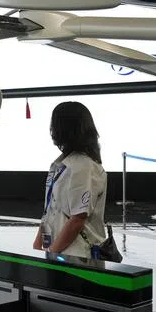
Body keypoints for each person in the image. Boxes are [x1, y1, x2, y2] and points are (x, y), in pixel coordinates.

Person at [33, 101, 108, 260]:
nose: (52, 130)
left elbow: (77, 219)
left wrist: (52, 253)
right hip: (58, 253)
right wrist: (38, 246)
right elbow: (50, 212)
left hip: (77, 257)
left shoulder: (83, 166)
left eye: (55, 124)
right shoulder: (61, 164)